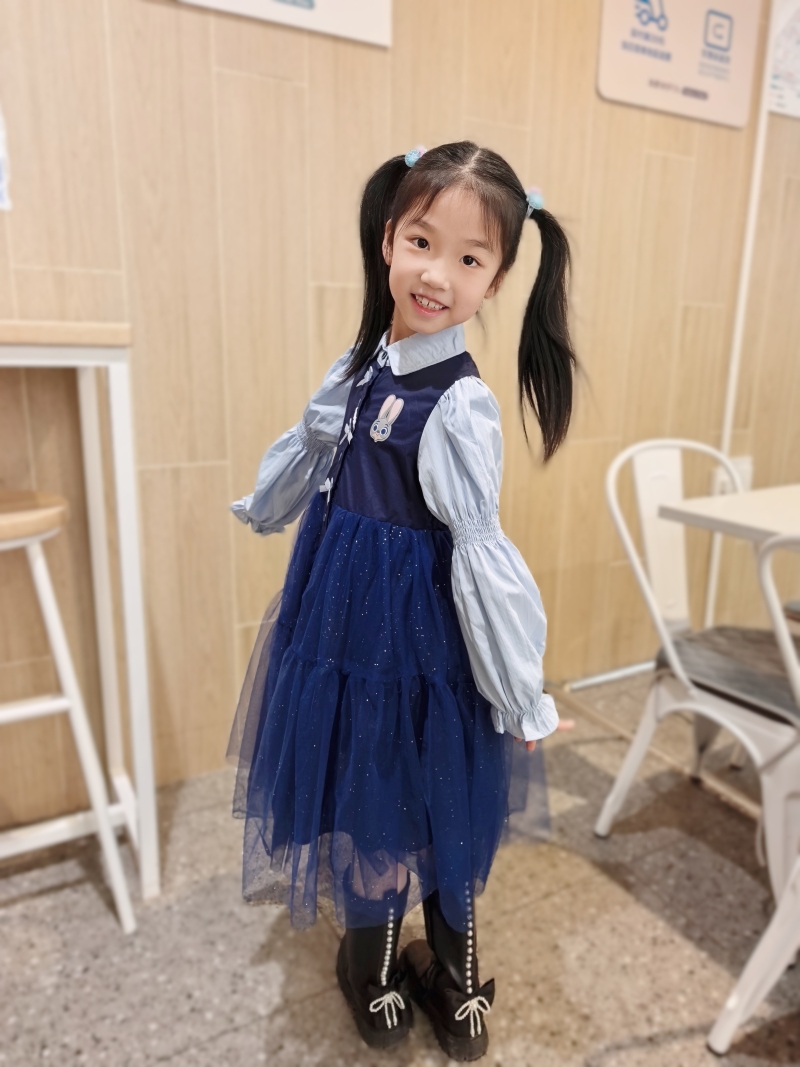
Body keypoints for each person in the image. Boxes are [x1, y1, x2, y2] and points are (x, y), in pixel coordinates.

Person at [229, 141, 577, 1061]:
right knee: (377, 781)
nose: (437, 274)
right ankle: (394, 974)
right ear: (388, 239)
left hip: (417, 634)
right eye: (423, 242)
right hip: (341, 619)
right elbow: (312, 450)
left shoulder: (458, 405)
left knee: (410, 783)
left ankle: (433, 978)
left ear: (496, 280)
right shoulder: (362, 365)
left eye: (470, 258)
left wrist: (519, 688)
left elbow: (480, 554)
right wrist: (263, 506)